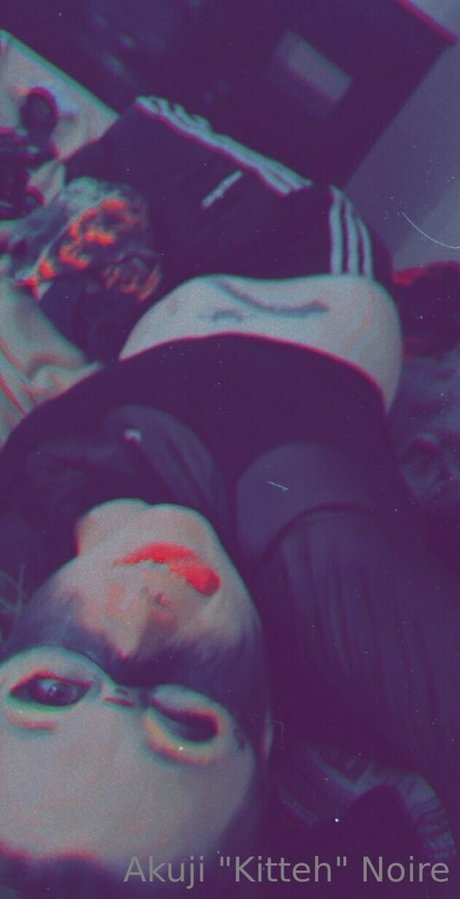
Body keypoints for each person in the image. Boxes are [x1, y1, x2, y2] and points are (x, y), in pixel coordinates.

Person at [0, 102, 456, 896]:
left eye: (48, 689)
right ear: (267, 741)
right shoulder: (326, 557)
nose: (143, 616)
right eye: (187, 721)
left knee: (104, 165)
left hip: (143, 332)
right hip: (289, 272)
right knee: (148, 127)